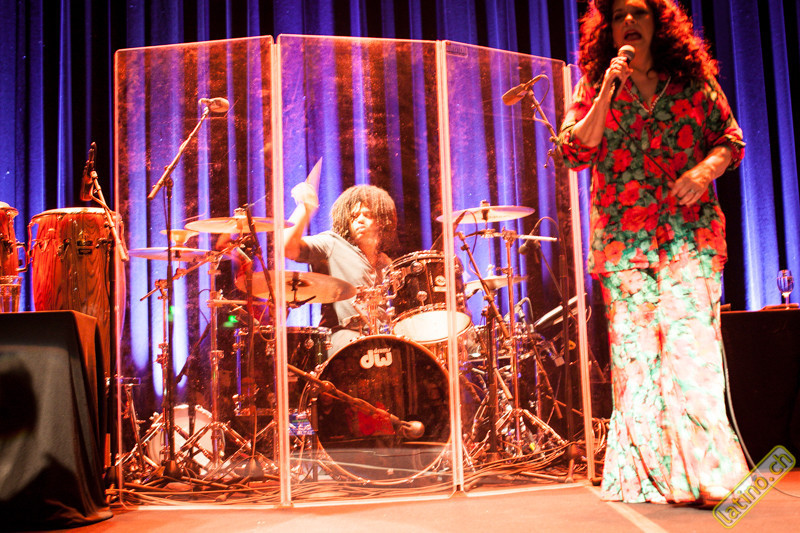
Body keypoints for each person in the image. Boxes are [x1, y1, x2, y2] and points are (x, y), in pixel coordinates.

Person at [558, 0, 749, 505]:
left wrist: (703, 171)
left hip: (689, 233)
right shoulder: (596, 84)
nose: (629, 22)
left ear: (658, 23)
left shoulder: (692, 82)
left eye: (639, 13)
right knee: (637, 359)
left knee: (692, 352)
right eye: (620, 15)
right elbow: (574, 151)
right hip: (623, 240)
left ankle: (707, 473)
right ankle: (651, 475)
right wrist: (606, 91)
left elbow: (731, 139)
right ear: (608, 28)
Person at [285, 180, 398, 357]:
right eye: (354, 216)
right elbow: (287, 247)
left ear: (381, 221)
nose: (359, 220)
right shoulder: (332, 243)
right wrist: (305, 207)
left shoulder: (385, 262)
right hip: (341, 337)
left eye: (367, 215)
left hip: (380, 338)